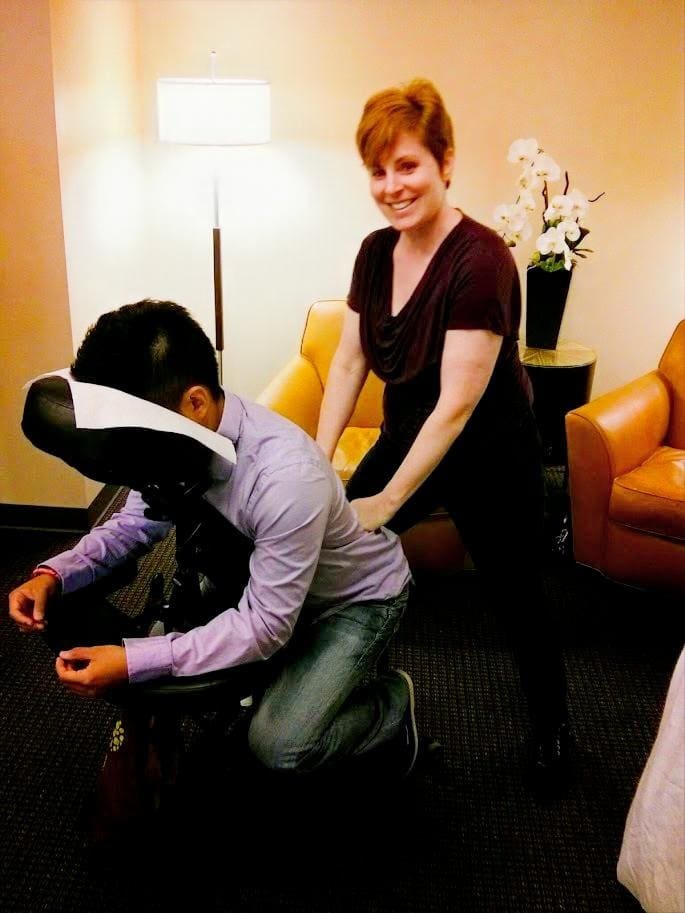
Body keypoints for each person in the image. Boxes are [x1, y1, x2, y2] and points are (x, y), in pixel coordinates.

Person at [9, 299, 418, 779]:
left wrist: (134, 661)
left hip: (351, 600)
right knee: (174, 646)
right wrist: (57, 574)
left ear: (196, 402)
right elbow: (134, 524)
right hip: (256, 580)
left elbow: (266, 626)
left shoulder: (284, 477)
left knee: (279, 745)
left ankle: (392, 704)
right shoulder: (172, 443)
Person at [315, 79, 569, 790]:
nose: (391, 186)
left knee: (516, 594)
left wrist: (384, 502)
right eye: (377, 170)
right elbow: (348, 360)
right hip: (407, 430)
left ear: (445, 162)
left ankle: (552, 725)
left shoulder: (481, 261)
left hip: (490, 449)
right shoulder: (374, 252)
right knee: (331, 551)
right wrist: (318, 462)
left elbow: (455, 408)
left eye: (407, 166)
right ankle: (343, 699)